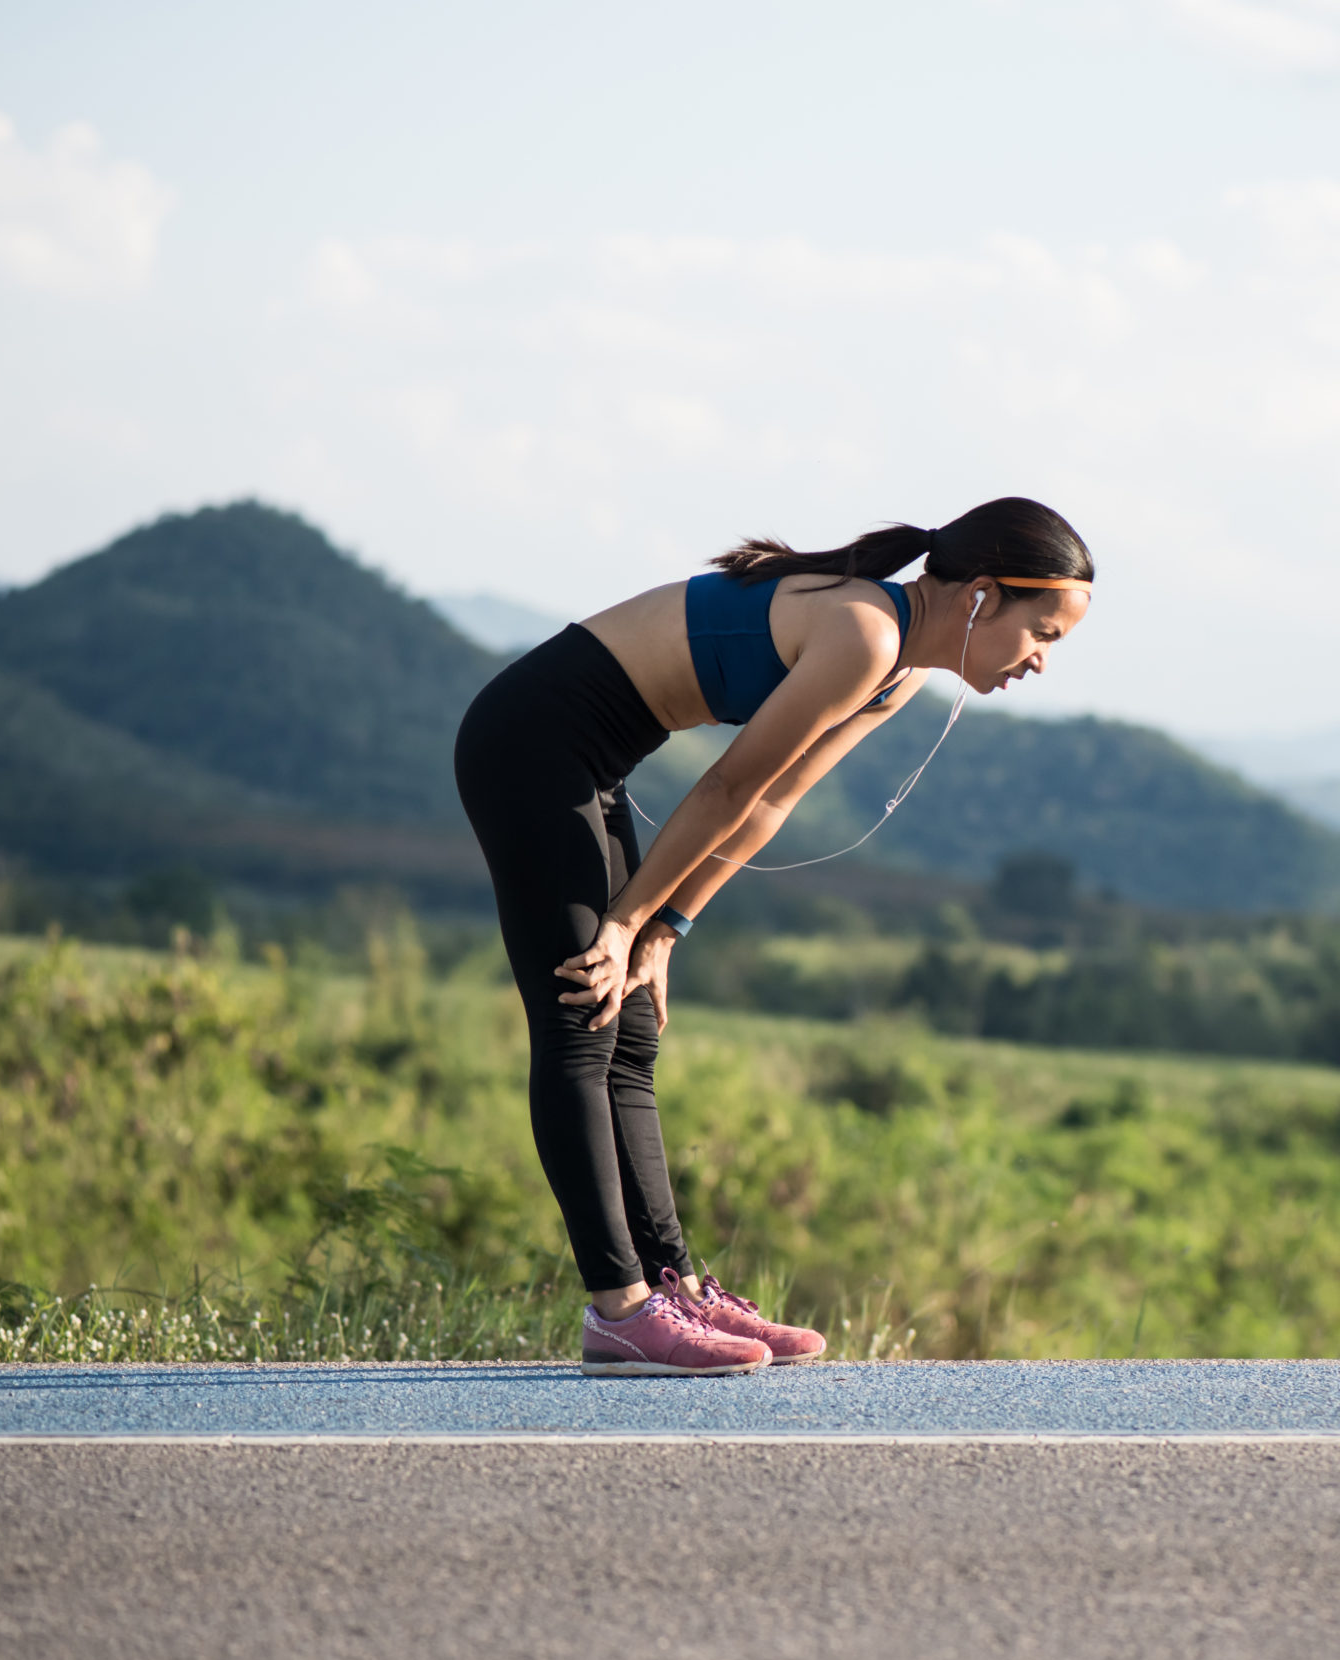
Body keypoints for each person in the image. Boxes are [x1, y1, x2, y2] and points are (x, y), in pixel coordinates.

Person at [454, 497, 1095, 1376]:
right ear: (982, 596)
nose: (1042, 662)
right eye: (1045, 632)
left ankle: (670, 1284)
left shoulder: (897, 669)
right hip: (527, 742)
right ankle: (620, 1308)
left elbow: (771, 803)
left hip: (588, 761)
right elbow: (724, 787)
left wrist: (666, 926)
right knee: (579, 1010)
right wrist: (624, 921)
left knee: (629, 1026)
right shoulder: (864, 632)